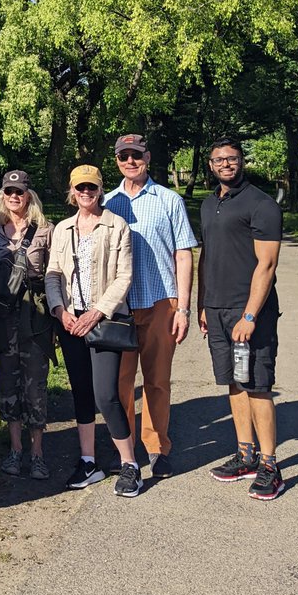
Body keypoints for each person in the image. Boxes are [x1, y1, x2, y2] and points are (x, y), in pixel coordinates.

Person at [46, 165, 141, 497]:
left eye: (91, 187)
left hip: (103, 321)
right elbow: (53, 273)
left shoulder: (117, 225)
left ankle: (129, 463)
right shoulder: (63, 229)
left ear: (100, 190)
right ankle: (88, 461)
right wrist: (59, 311)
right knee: (81, 393)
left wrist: (97, 312)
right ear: (72, 192)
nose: (86, 192)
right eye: (80, 188)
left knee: (106, 394)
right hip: (71, 322)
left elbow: (124, 276)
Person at [105, 133, 197, 478]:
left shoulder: (169, 200)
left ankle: (158, 447)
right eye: (123, 156)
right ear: (117, 161)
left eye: (136, 155)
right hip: (121, 307)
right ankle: (125, 450)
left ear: (147, 157)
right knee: (121, 383)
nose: (130, 161)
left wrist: (183, 308)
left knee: (157, 381)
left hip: (161, 301)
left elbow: (183, 254)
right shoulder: (107, 202)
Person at [198, 137, 284, 500]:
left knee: (258, 385)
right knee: (234, 382)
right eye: (219, 159)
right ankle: (245, 455)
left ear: (241, 161)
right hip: (217, 310)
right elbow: (206, 255)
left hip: (249, 312)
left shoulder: (261, 204)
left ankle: (270, 466)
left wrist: (250, 315)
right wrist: (203, 304)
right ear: (211, 164)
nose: (225, 164)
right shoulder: (209, 203)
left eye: (231, 158)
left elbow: (267, 265)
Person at [0, 169, 55, 480]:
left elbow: (54, 277)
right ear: (2, 196)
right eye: (9, 192)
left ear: (29, 195)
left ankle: (37, 453)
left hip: (35, 318)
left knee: (35, 385)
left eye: (19, 192)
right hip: (3, 318)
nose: (14, 196)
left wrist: (57, 319)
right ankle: (15, 449)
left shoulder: (45, 231)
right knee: (8, 384)